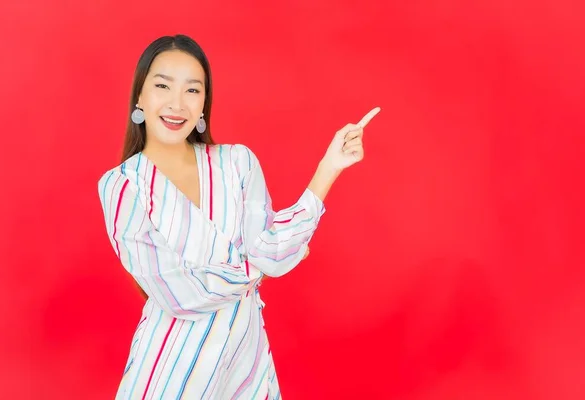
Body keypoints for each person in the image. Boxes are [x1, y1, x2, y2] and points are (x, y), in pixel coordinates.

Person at [97, 34, 380, 400]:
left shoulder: (236, 163)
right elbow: (178, 293)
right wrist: (258, 267)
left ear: (204, 104)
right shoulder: (122, 186)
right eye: (163, 86)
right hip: (168, 373)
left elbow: (271, 248)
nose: (177, 103)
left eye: (192, 91)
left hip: (244, 362)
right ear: (140, 96)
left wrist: (330, 167)